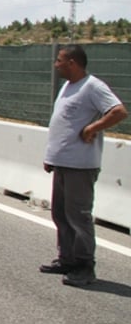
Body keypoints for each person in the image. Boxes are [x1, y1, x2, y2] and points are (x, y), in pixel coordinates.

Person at [39, 45, 127, 286]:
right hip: (63, 163)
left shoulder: (93, 86)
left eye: (60, 61)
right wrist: (51, 156)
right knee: (60, 214)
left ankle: (85, 266)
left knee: (78, 217)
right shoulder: (68, 86)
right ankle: (67, 259)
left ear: (73, 63)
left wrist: (92, 128)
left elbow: (119, 111)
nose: (56, 64)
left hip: (81, 165)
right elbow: (63, 124)